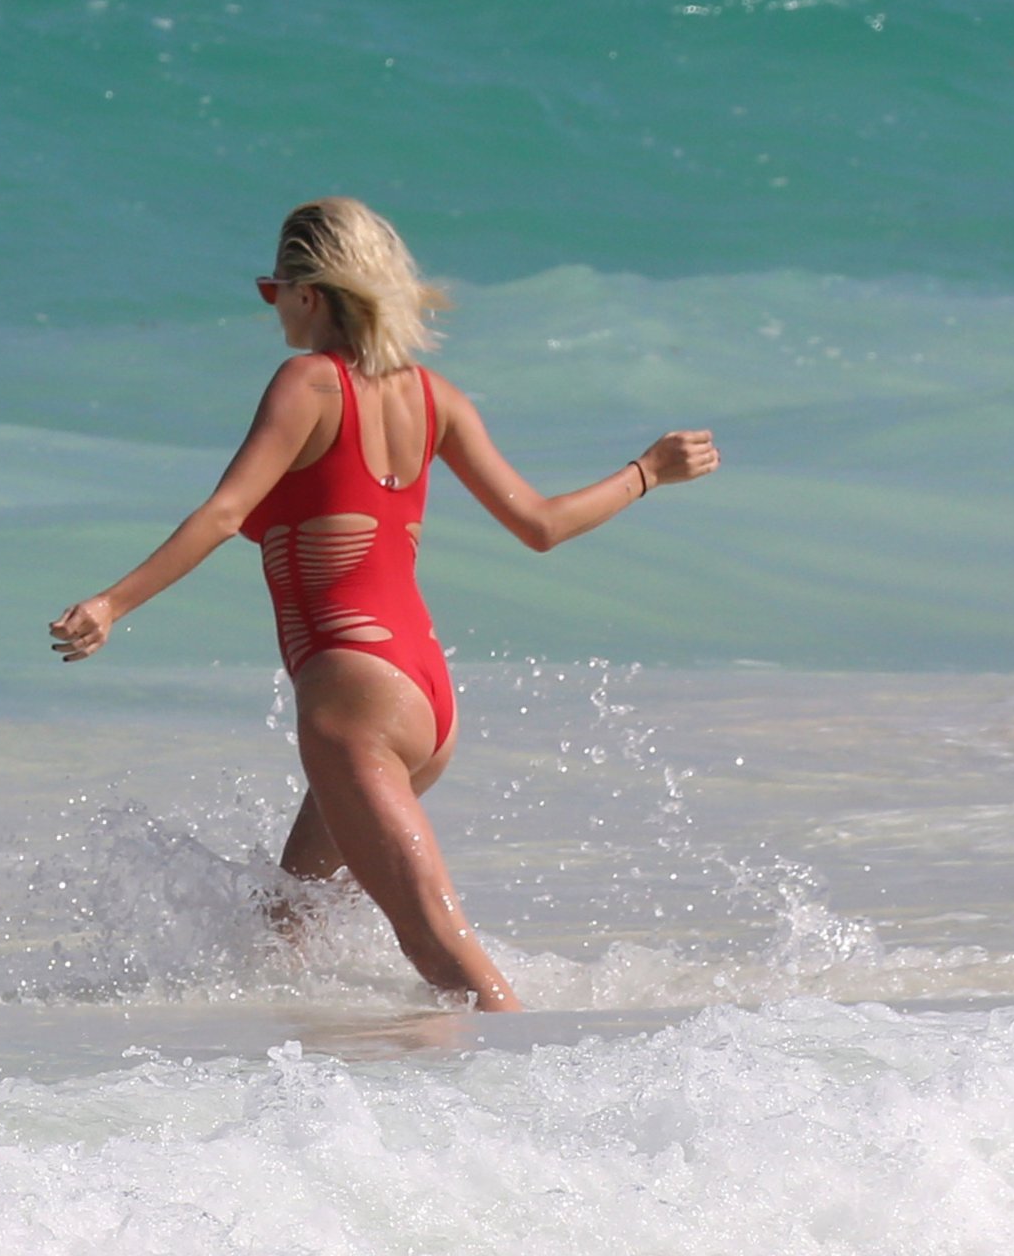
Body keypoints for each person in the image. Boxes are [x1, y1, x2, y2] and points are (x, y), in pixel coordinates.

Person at [50, 198, 719, 1011]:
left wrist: (113, 602)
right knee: (287, 928)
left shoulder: (309, 383)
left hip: (355, 695)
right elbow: (541, 525)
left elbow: (225, 514)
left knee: (439, 945)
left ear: (310, 292)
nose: (273, 309)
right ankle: (361, 1072)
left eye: (273, 291)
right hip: (424, 695)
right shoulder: (437, 398)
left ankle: (538, 1073)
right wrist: (647, 472)